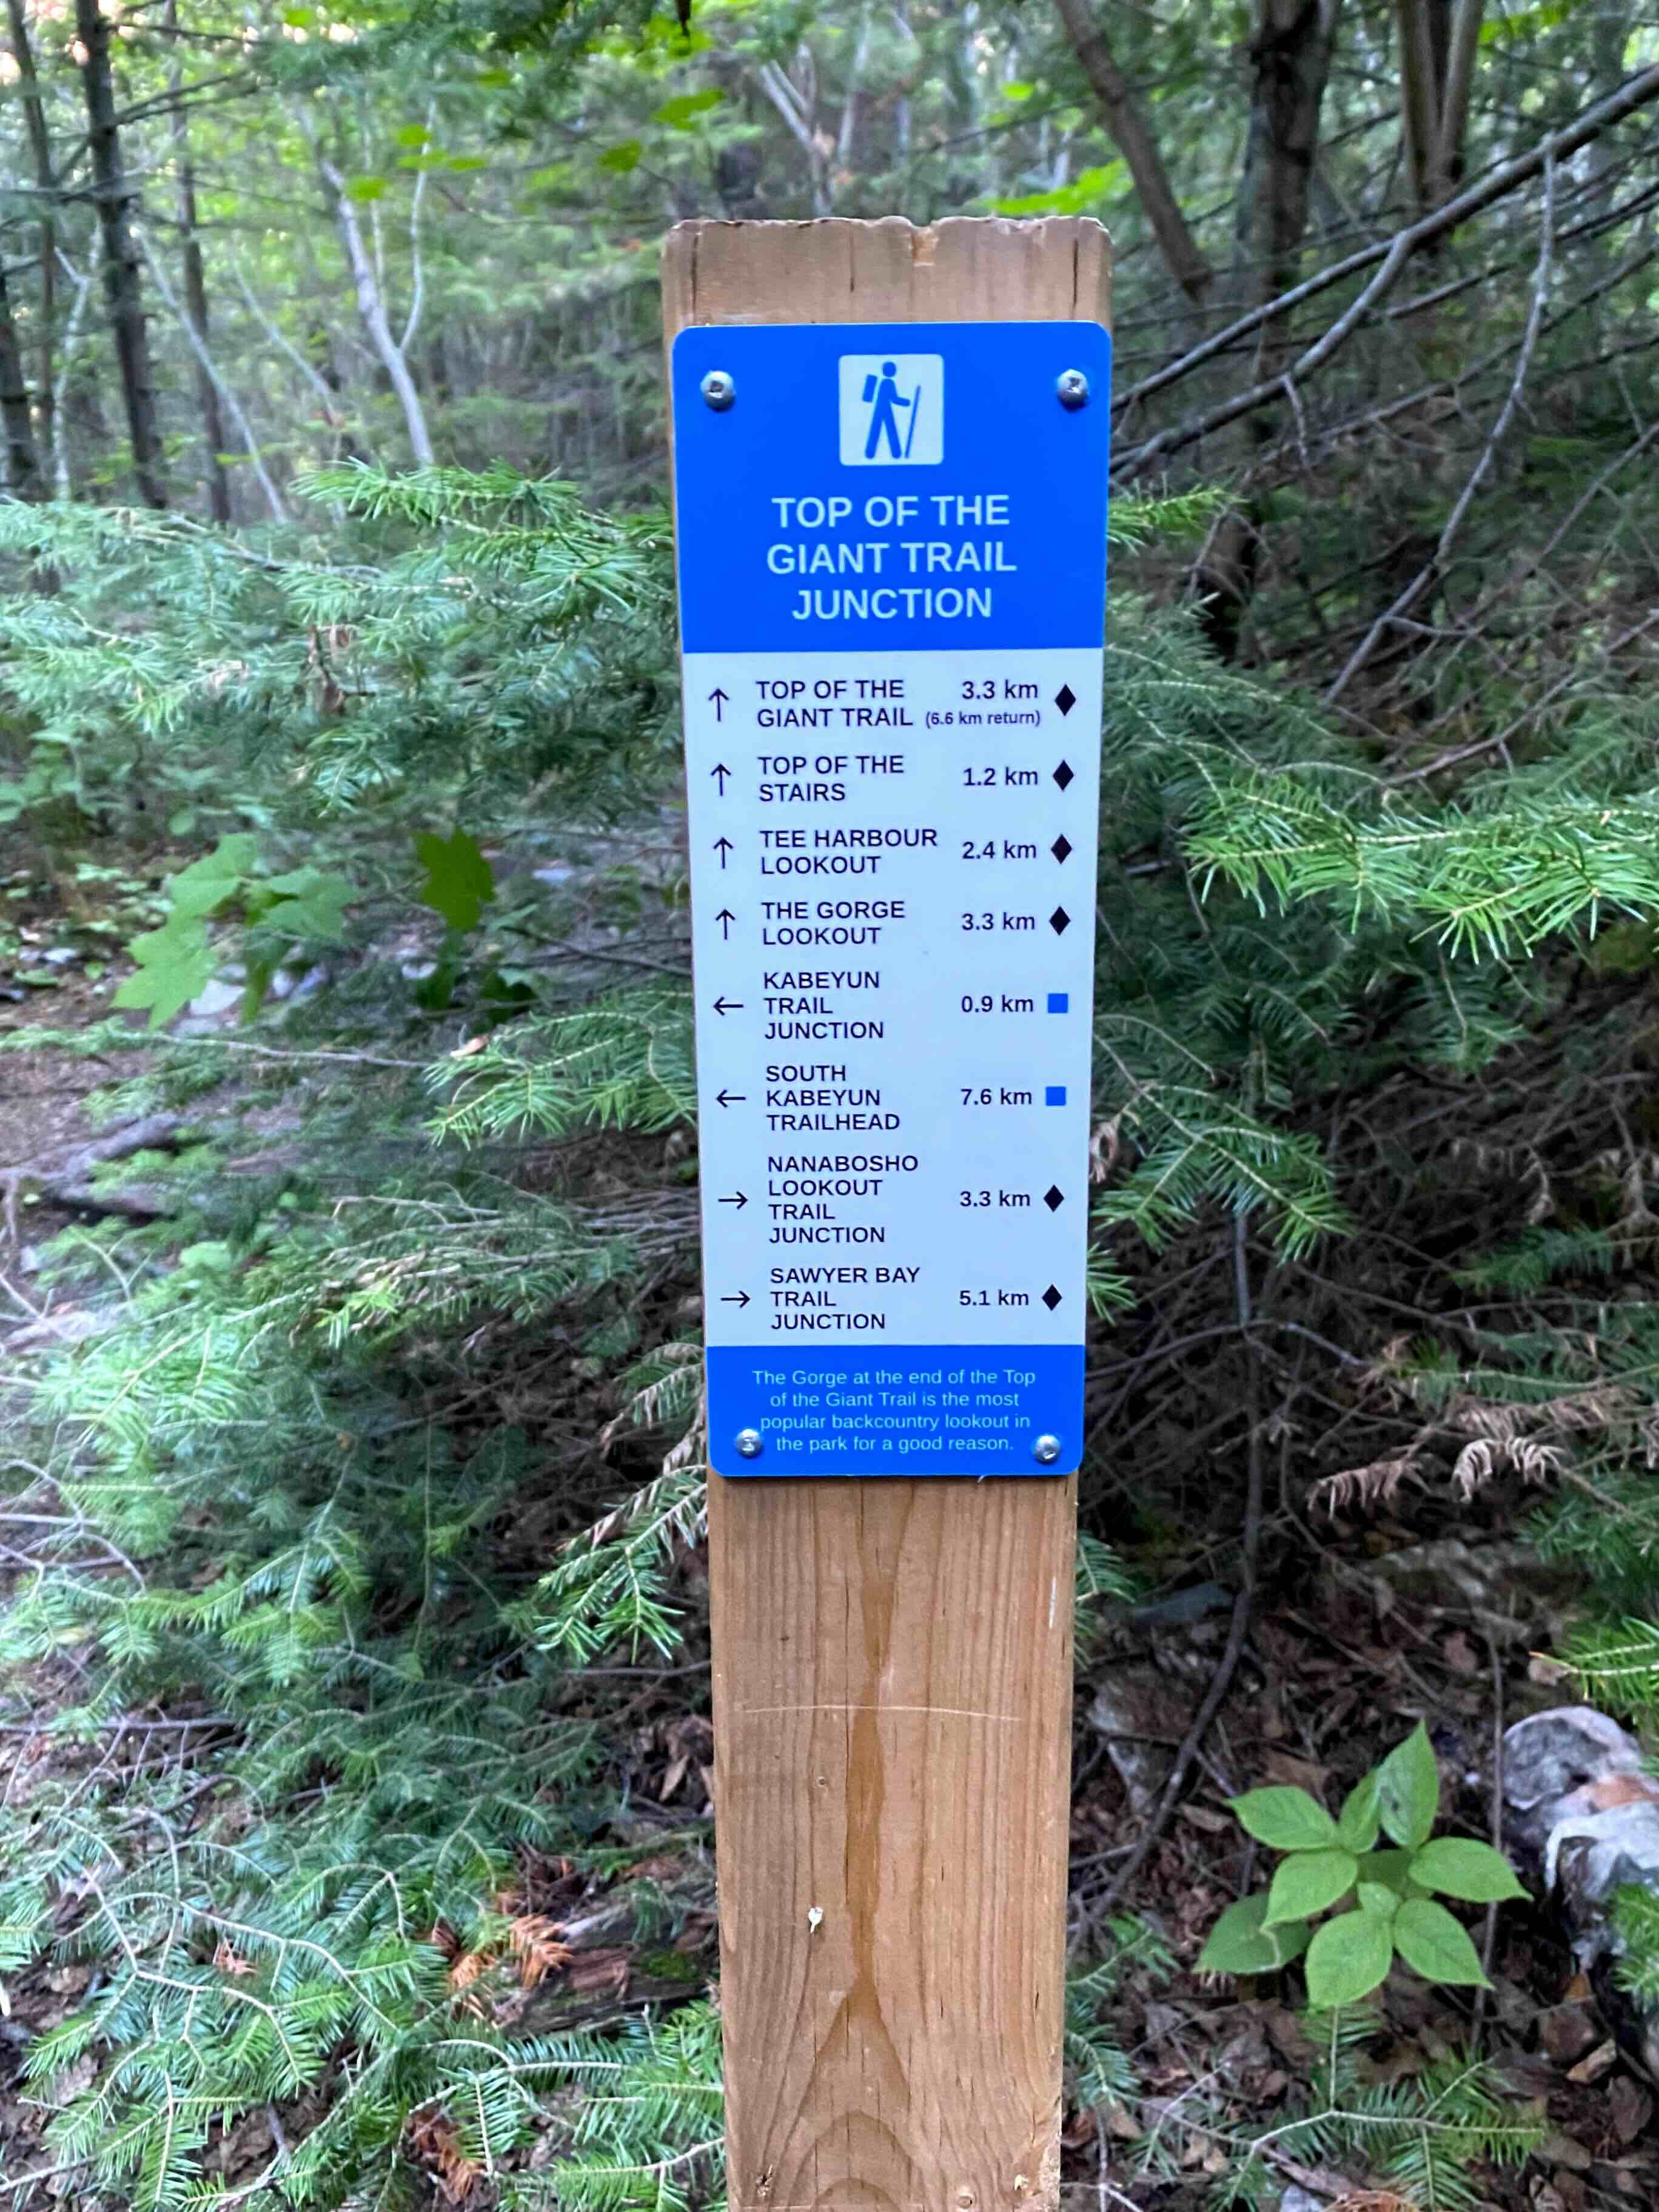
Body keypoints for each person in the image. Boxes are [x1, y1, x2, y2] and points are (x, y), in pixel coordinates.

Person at [862, 362, 911, 460]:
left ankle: (870, 453)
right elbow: (894, 399)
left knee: (877, 430)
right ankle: (896, 454)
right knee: (890, 430)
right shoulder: (888, 383)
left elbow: (868, 398)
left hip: (879, 409)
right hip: (885, 410)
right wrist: (907, 402)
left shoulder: (880, 381)